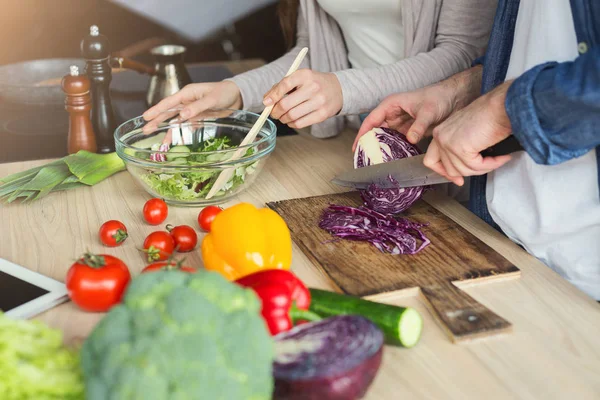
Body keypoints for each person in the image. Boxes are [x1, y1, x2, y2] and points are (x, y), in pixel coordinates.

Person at [358, 0, 600, 300]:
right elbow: (538, 43)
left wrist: (502, 109)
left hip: (585, 272)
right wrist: (462, 88)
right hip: (507, 247)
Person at [142, 0, 497, 139]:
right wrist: (235, 91)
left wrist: (343, 90)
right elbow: (309, 55)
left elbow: (463, 55)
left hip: (441, 142)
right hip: (353, 137)